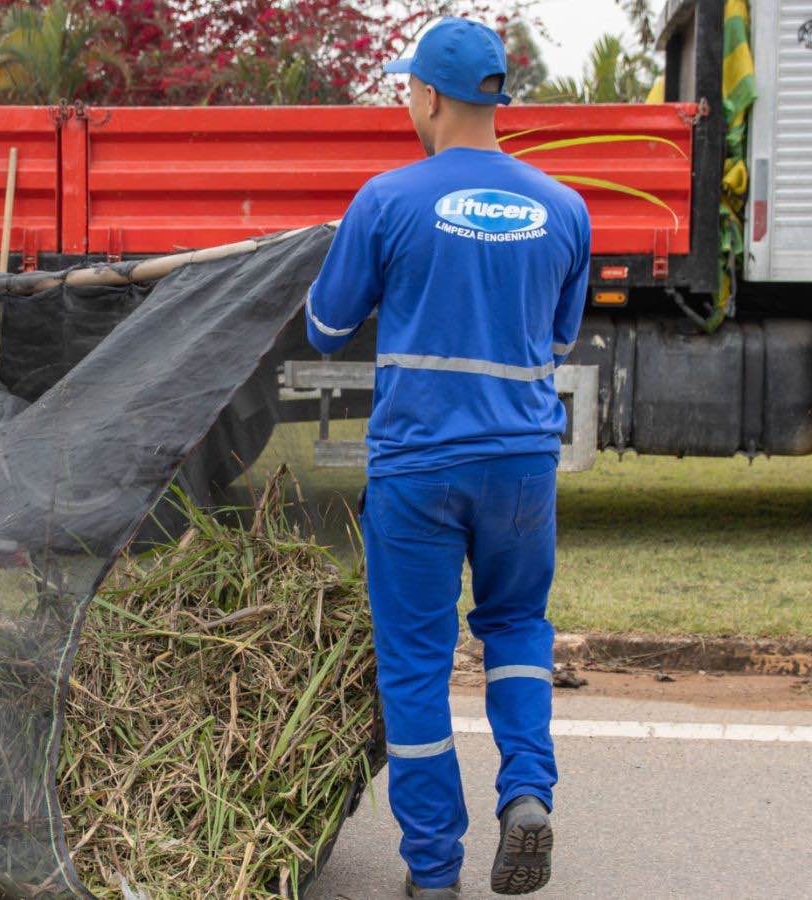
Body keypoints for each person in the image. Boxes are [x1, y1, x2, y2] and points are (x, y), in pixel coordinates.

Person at [305, 17, 590, 898]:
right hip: (523, 466)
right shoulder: (565, 208)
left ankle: (434, 871)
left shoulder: (386, 200)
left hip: (419, 468)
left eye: (408, 89)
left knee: (416, 665)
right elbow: (558, 338)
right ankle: (527, 793)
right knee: (517, 626)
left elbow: (324, 330)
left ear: (429, 95)